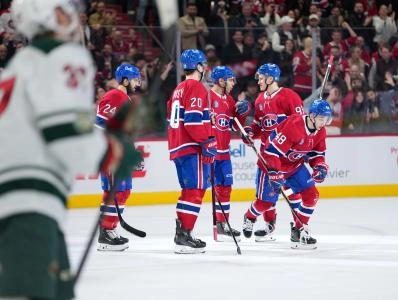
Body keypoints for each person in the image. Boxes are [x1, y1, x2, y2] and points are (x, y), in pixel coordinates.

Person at [0, 0, 141, 299]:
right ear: (48, 17)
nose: (74, 18)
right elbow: (67, 137)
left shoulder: (21, 65)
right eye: (64, 11)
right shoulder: (61, 57)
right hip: (28, 205)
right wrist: (114, 153)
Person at [242, 99, 332, 249]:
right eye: (321, 118)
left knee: (312, 195)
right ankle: (250, 217)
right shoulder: (294, 126)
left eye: (326, 119)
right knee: (266, 203)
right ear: (312, 115)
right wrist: (275, 173)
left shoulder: (320, 131)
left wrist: (319, 167)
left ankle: (298, 230)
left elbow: (316, 154)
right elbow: (271, 152)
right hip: (271, 164)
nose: (324, 122)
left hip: (294, 167)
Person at [241, 63, 304, 242]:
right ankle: (261, 223)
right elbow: (260, 124)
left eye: (261, 78)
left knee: (294, 196)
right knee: (266, 198)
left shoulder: (290, 97)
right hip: (268, 158)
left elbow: (301, 124)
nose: (258, 81)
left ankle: (298, 227)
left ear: (270, 79)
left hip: (288, 158)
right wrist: (251, 131)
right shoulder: (260, 99)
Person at [167, 49, 216, 254]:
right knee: (195, 191)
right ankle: (185, 234)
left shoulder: (178, 88)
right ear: (197, 66)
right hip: (191, 146)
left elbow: (172, 117)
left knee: (189, 191)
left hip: (178, 146)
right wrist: (205, 141)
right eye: (202, 64)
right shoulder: (196, 87)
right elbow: (193, 120)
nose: (204, 68)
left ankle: (183, 233)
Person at [96, 63, 142, 251]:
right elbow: (100, 125)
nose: (138, 83)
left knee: (123, 191)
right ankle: (105, 232)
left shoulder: (125, 99)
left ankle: (110, 228)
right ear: (124, 79)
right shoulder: (114, 95)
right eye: (135, 79)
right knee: (114, 191)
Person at [209, 66, 251, 241]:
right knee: (195, 190)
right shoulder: (206, 98)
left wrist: (243, 113)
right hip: (209, 152)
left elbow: (234, 126)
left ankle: (222, 225)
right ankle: (184, 228)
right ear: (221, 81)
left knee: (225, 187)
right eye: (231, 79)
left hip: (224, 153)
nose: (234, 83)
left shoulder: (229, 100)